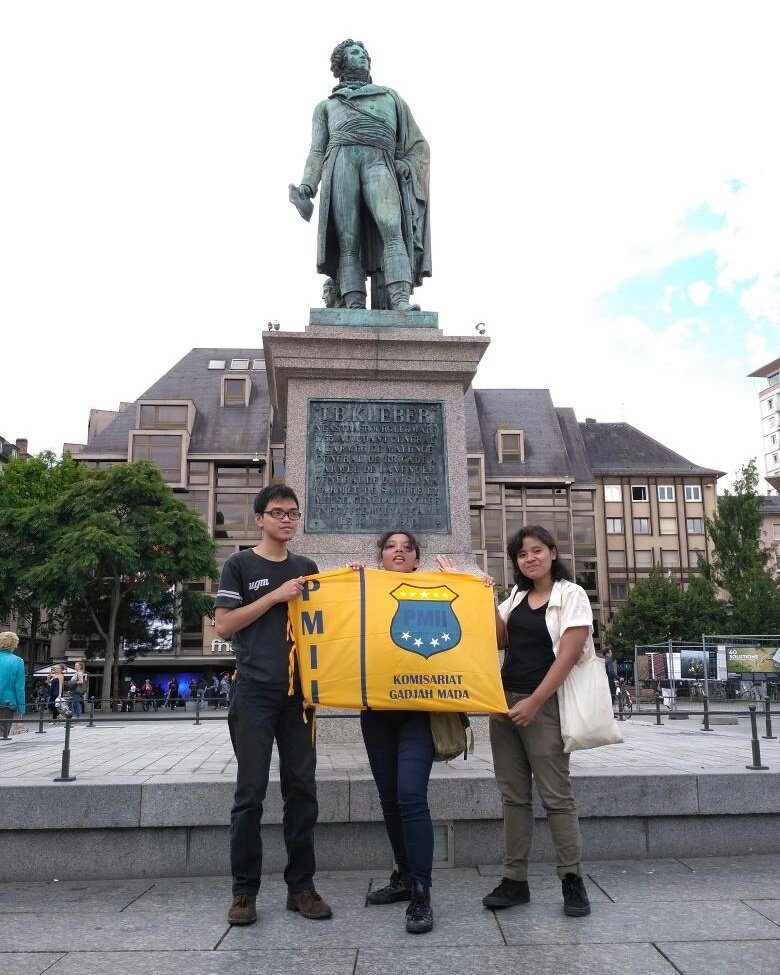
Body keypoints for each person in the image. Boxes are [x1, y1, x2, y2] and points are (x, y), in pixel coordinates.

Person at [349, 533, 495, 935]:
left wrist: (474, 587)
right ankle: (402, 876)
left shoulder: (438, 588)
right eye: (391, 546)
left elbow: (476, 629)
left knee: (411, 794)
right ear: (380, 556)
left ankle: (421, 893)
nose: (399, 550)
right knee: (390, 800)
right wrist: (349, 585)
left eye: (407, 546)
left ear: (417, 559)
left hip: (420, 712)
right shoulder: (364, 591)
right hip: (377, 711)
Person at [215, 484, 331, 926]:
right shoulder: (240, 564)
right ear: (260, 518)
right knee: (250, 795)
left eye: (293, 513)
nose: (287, 520)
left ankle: (301, 886)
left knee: (302, 792)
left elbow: (323, 627)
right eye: (278, 512)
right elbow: (224, 625)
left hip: (299, 697)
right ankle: (244, 892)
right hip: (255, 693)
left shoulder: (308, 567)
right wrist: (272, 597)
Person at [483, 525, 592, 918]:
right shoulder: (515, 597)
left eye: (535, 551)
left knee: (557, 798)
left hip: (543, 706)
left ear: (552, 552)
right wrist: (485, 596)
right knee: (513, 797)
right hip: (505, 705)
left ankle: (572, 881)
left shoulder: (571, 595)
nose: (529, 559)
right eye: (521, 554)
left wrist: (534, 701)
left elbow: (568, 656)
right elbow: (498, 640)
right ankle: (514, 881)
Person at [291, 39, 431, 312]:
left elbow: (417, 144)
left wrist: (405, 162)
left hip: (379, 162)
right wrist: (308, 185)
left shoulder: (390, 97)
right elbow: (317, 150)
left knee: (392, 230)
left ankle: (400, 300)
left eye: (365, 53)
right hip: (340, 162)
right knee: (348, 240)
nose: (363, 56)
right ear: (341, 62)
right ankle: (354, 303)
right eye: (355, 53)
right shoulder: (326, 107)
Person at [0, 631, 26, 741]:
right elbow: (19, 687)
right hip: (7, 702)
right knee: (3, 734)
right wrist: (21, 708)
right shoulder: (17, 661)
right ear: (14, 644)